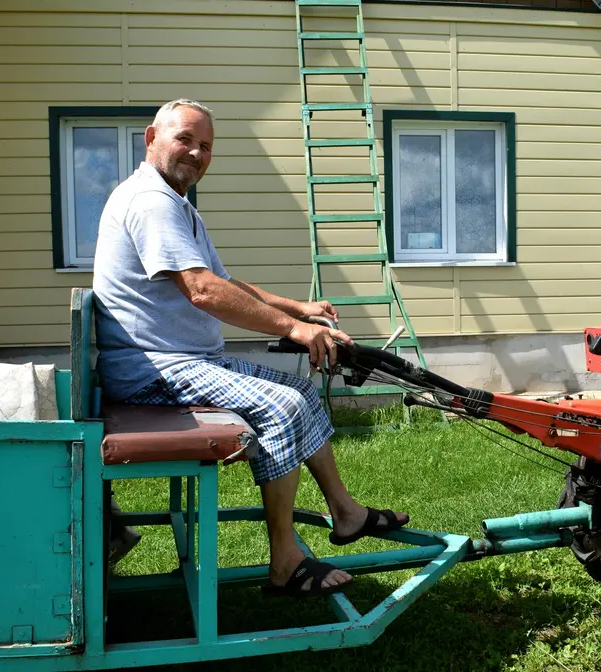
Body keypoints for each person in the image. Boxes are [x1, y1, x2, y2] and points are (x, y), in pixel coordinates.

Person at [91, 99, 409, 597]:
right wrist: (295, 329)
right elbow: (203, 291)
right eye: (184, 139)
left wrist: (297, 308)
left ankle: (346, 513)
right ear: (151, 138)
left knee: (301, 394)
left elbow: (223, 282)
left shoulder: (175, 203)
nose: (196, 153)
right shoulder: (150, 202)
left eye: (206, 146)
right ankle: (285, 563)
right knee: (281, 407)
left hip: (182, 361)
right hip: (152, 369)